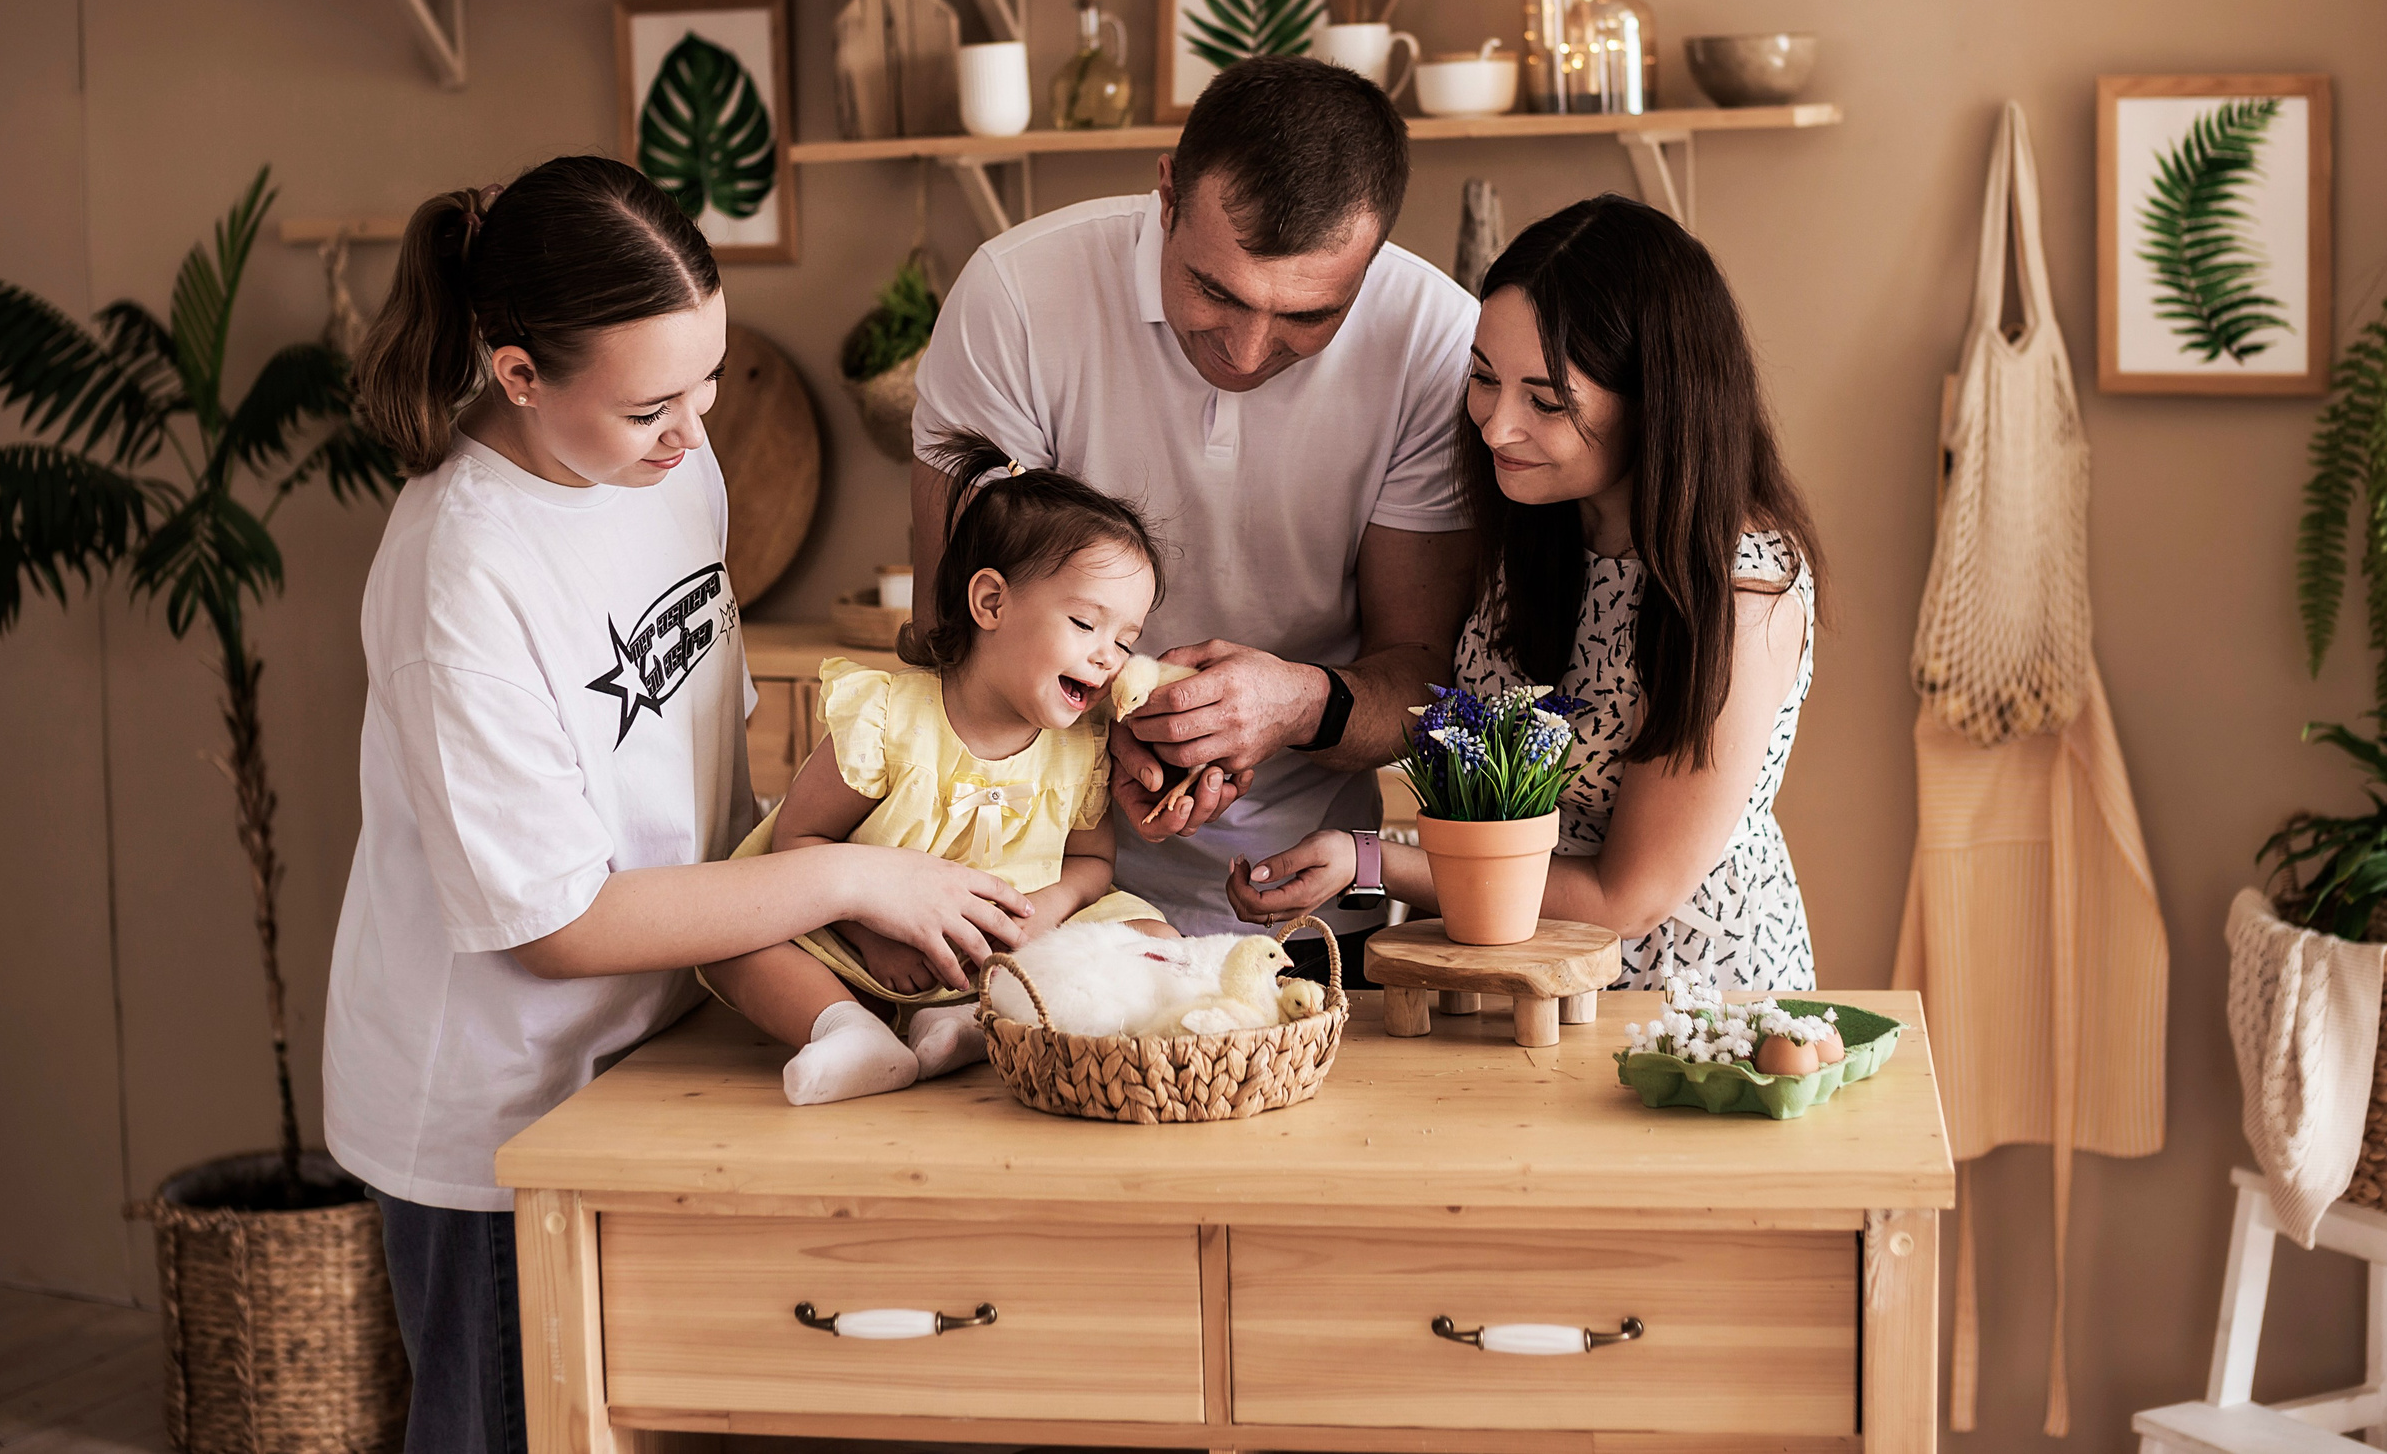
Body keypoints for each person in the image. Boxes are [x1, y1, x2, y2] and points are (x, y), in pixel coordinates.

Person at [323, 157, 1035, 1454]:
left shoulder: (671, 469)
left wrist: (843, 860)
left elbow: (690, 772)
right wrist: (849, 883)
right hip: (500, 1105)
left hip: (655, 1044)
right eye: (654, 400)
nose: (697, 428)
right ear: (519, 372)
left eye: (708, 378)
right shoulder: (461, 572)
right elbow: (557, 924)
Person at [908, 56, 1480, 961]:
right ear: (1166, 194)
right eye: (1215, 291)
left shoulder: (1436, 340)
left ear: (1372, 268)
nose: (1249, 351)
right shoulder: (1018, 298)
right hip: (1026, 896)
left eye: (1309, 316)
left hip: (1312, 917)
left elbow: (1428, 682)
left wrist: (1299, 704)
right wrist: (1100, 733)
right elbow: (951, 626)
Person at [1229, 194, 1825, 991]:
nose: (1495, 425)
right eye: (1483, 378)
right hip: (1525, 979)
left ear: (1658, 402)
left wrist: (1368, 861)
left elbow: (1626, 897)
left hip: (1682, 1005)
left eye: (1546, 401)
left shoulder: (1740, 588)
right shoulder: (1539, 527)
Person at [703, 430, 1179, 1105]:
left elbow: (1093, 860)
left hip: (1016, 955)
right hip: (874, 952)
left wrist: (1053, 906)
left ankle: (972, 1019)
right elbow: (797, 843)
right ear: (991, 603)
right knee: (736, 936)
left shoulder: (1083, 742)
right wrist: (869, 934)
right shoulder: (889, 720)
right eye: (1085, 623)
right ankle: (844, 1029)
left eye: (1126, 639)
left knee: (1157, 936)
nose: (1110, 656)